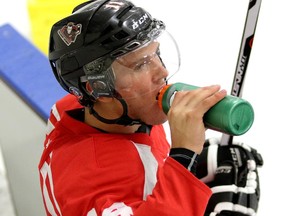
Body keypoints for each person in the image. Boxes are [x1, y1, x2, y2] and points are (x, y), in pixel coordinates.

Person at [38, 0, 262, 215]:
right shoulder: (90, 180)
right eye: (141, 64)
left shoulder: (108, 112)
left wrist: (192, 159)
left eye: (156, 54)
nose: (162, 72)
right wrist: (184, 158)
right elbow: (108, 174)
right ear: (98, 88)